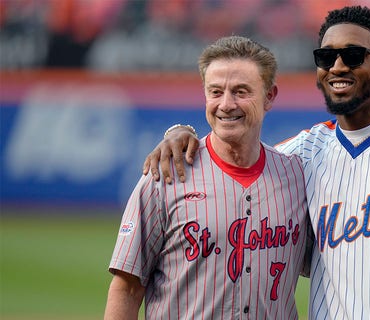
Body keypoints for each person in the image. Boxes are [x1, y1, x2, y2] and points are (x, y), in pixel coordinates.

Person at [145, 6, 370, 320]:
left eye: (352, 55)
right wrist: (181, 131)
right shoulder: (300, 154)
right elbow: (236, 157)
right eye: (325, 57)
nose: (336, 66)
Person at [104, 36, 310, 319]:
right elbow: (127, 288)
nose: (226, 104)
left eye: (241, 91)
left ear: (269, 96)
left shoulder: (297, 176)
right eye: (215, 92)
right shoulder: (166, 174)